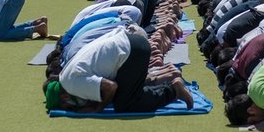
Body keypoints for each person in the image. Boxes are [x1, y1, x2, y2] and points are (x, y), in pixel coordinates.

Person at [44, 24, 193, 113]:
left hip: (132, 50)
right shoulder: (66, 76)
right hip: (129, 43)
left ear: (64, 97)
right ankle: (169, 85)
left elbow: (111, 87)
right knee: (123, 93)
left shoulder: (73, 85)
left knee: (125, 104)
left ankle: (173, 90)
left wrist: (97, 108)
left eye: (65, 106)